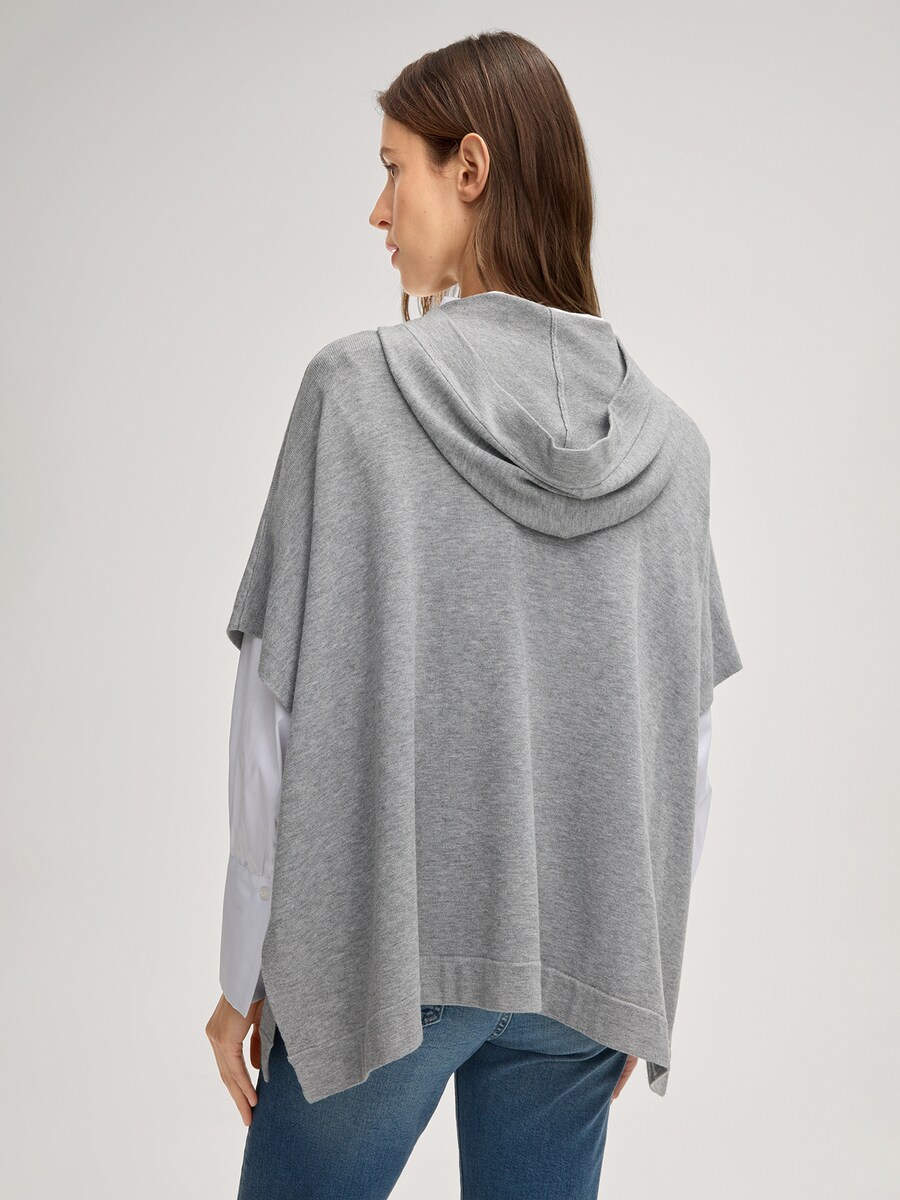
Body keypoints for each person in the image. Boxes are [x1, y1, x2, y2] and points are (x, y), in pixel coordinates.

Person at [206, 30, 742, 1200]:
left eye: (392, 167)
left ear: (472, 168)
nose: (377, 209)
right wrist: (639, 976)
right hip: (588, 967)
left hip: (388, 955)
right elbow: (689, 744)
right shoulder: (675, 451)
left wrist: (245, 968)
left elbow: (275, 705)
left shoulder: (354, 393)